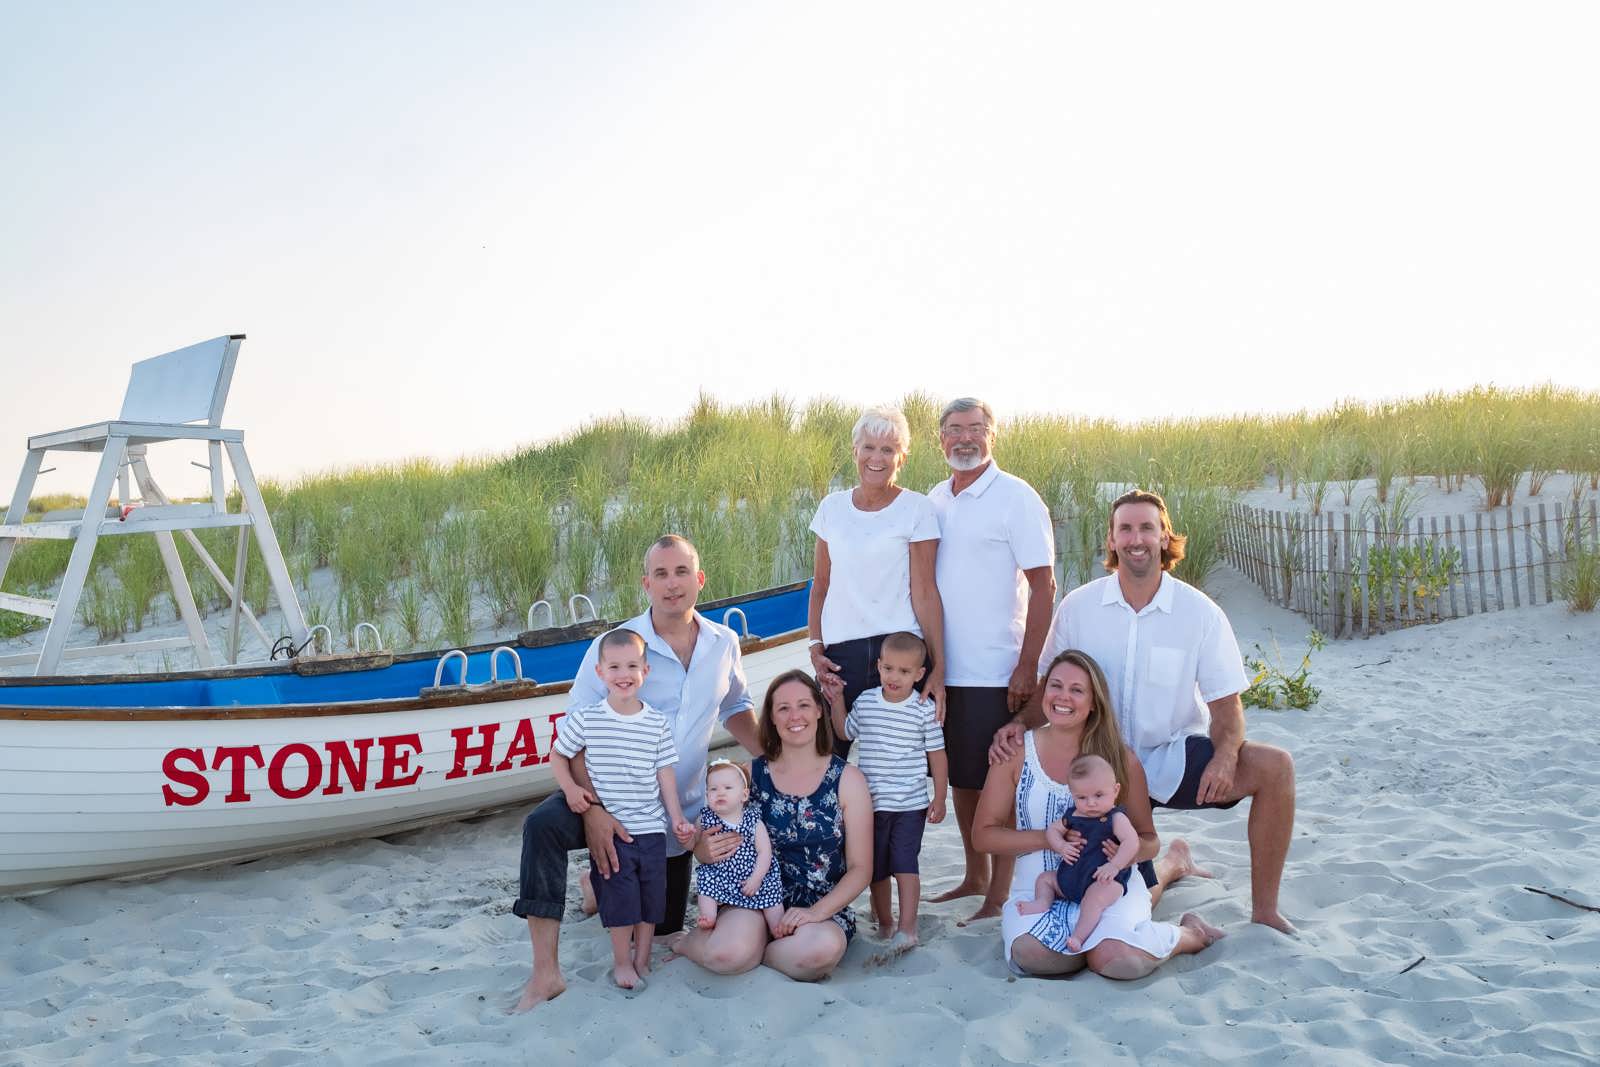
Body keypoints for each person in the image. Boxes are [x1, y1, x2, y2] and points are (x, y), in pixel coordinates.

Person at [993, 489, 1297, 933]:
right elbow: (1051, 690)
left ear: (1164, 537)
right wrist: (1017, 726)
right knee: (1122, 893)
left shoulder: (1200, 614)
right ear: (1112, 541)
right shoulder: (1080, 607)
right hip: (1095, 767)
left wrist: (1226, 756)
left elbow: (1226, 705)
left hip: (1169, 756)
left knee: (1276, 767)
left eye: (1147, 528)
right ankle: (1173, 862)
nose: (1137, 538)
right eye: (1126, 529)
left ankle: (1265, 911)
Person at [511, 534, 762, 1012]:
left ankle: (596, 886)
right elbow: (575, 731)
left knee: (666, 925)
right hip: (601, 792)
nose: (672, 585)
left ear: (700, 579)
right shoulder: (617, 648)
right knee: (541, 827)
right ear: (646, 584)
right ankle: (546, 974)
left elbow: (736, 708)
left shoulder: (723, 643)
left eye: (682, 572)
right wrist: (595, 812)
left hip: (672, 811)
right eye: (661, 575)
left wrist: (773, 757)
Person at [974, 650, 1223, 979]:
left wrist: (1120, 854)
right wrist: (1051, 840)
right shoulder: (1016, 752)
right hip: (1044, 888)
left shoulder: (1119, 758)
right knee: (1034, 956)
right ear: (1044, 692)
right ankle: (1097, 939)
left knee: (1118, 961)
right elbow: (983, 835)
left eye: (1077, 690)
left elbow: (1148, 841)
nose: (1063, 697)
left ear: (1094, 702)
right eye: (1055, 686)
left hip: (1108, 885)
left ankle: (1192, 934)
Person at [926, 396, 1056, 924]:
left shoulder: (1016, 498)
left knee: (998, 783)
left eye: (975, 429)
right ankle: (974, 875)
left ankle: (999, 895)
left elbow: (1044, 586)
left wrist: (1029, 665)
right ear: (940, 440)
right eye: (955, 430)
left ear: (992, 435)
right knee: (962, 780)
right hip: (946, 670)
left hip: (998, 668)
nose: (965, 438)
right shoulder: (935, 498)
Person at [663, 670, 873, 981]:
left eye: (803, 705)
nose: (794, 716)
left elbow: (860, 868)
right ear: (771, 718)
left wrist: (815, 914)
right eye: (783, 708)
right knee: (727, 955)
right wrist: (702, 849)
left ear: (818, 710)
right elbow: (705, 835)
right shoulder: (747, 776)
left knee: (819, 953)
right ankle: (689, 943)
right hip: (750, 895)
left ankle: (758, 953)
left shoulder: (847, 780)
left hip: (818, 906)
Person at [549, 628, 697, 990]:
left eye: (632, 665)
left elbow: (665, 775)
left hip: (651, 828)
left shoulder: (656, 723)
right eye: (614, 667)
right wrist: (570, 789)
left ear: (645, 670)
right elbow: (558, 754)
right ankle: (621, 962)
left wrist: (676, 817)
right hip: (613, 830)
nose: (623, 674)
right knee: (621, 900)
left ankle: (642, 959)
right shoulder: (589, 718)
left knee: (650, 899)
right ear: (600, 673)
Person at [807, 405, 947, 749]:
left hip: (900, 652)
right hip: (841, 653)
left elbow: (926, 592)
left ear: (902, 458)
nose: (876, 458)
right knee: (827, 756)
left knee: (897, 761)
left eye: (888, 450)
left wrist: (939, 666)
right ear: (855, 451)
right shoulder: (831, 507)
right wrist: (815, 645)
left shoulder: (917, 508)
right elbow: (821, 584)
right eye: (868, 447)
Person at [823, 630, 948, 952]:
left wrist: (940, 797)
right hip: (870, 805)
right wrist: (837, 700)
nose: (894, 677)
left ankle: (908, 927)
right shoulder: (866, 702)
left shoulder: (923, 709)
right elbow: (842, 731)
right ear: (878, 666)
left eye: (905, 672)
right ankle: (885, 922)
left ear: (919, 674)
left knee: (905, 864)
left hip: (910, 804)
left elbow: (937, 755)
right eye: (889, 668)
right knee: (876, 868)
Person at [1015, 754, 1139, 955]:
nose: (1090, 803)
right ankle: (1042, 902)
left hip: (1104, 879)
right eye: (1082, 797)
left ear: (1115, 790)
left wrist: (1115, 865)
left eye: (1099, 795)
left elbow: (1131, 841)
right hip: (1071, 878)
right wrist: (1061, 846)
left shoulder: (1115, 818)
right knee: (1046, 879)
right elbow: (1053, 831)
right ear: (1073, 795)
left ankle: (1079, 936)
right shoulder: (1072, 815)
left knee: (1094, 900)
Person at [692, 759, 784, 937]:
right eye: (713, 789)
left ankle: (777, 927)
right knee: (706, 882)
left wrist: (756, 878)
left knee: (772, 894)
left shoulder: (753, 821)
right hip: (720, 874)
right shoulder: (705, 818)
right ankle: (708, 916)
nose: (720, 793)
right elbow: (694, 842)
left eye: (727, 788)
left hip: (753, 876)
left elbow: (765, 852)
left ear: (744, 795)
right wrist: (688, 834)